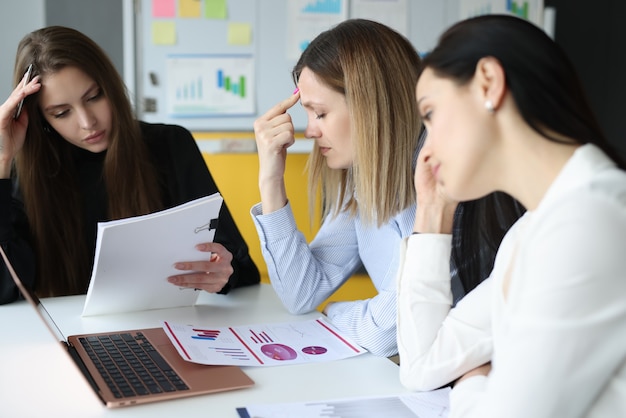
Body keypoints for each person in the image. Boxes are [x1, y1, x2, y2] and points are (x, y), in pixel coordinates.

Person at [396, 14, 626, 417]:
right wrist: (433, 210)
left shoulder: (588, 218)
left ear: (488, 82)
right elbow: (422, 365)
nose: (426, 151)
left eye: (430, 114)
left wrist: (471, 384)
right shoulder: (534, 228)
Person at [251, 19, 523, 357]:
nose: (310, 131)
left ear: (369, 107)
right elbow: (300, 293)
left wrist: (334, 313)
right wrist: (271, 181)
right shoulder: (365, 179)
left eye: (319, 113)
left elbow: (385, 332)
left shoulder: (443, 181)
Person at [0, 26, 260, 305]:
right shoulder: (23, 174)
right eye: (62, 113)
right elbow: (4, 289)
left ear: (111, 87)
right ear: (40, 119)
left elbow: (242, 269)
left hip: (162, 325)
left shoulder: (170, 145)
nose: (88, 122)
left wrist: (222, 271)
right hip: (65, 335)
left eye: (94, 97)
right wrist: (1, 160)